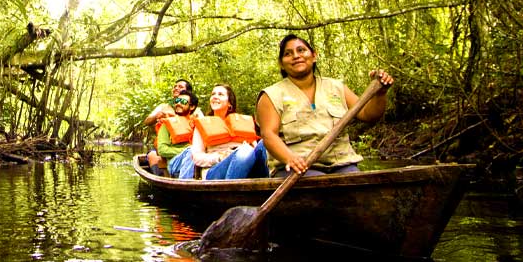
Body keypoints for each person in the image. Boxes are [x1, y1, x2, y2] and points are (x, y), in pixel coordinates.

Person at [255, 33, 393, 176]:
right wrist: (291, 158)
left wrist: (380, 93)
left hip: (342, 163)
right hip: (298, 169)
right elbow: (269, 135)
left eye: (301, 50)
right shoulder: (271, 95)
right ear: (282, 64)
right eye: (288, 53)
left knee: (356, 186)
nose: (296, 56)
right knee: (321, 189)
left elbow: (369, 115)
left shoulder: (336, 87)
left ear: (314, 56)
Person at [168, 84, 267, 181]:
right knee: (245, 151)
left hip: (245, 163)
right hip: (215, 170)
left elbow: (255, 150)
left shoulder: (242, 122)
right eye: (213, 94)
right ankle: (229, 193)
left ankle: (268, 187)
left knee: (263, 143)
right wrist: (220, 157)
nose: (215, 97)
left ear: (229, 103)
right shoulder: (202, 124)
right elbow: (197, 157)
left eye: (220, 94)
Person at [144, 78, 201, 173]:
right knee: (153, 156)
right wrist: (157, 116)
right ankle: (161, 178)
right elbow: (147, 121)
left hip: (191, 152)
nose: (176, 88)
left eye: (180, 87)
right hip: (169, 148)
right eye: (175, 86)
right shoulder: (164, 108)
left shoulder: (196, 114)